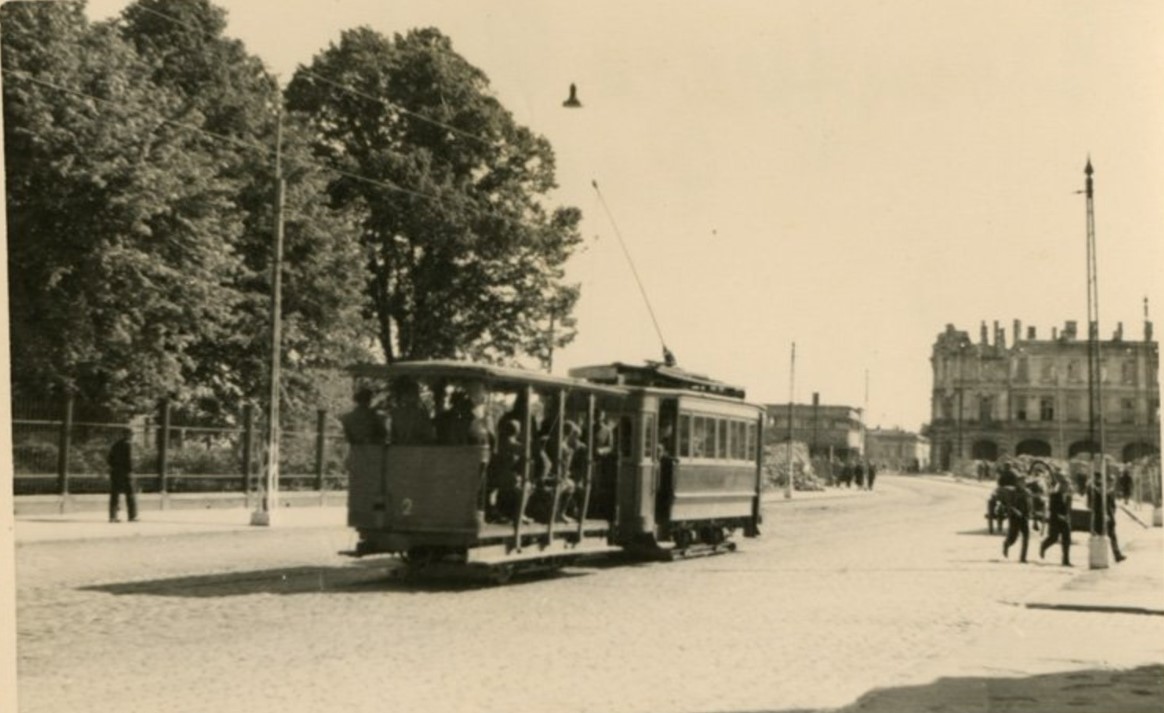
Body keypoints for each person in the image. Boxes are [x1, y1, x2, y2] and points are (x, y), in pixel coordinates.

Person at [1088, 472, 1126, 563]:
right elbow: (1096, 506)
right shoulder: (1099, 492)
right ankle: (1098, 557)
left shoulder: (1110, 492)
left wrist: (1112, 514)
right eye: (1110, 482)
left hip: (1110, 517)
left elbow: (1112, 505)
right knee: (1099, 536)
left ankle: (1117, 555)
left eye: (1112, 482)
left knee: (1112, 536)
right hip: (1101, 518)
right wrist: (1104, 515)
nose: (1111, 484)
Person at [1039, 470, 1073, 566]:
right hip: (1055, 520)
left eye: (1067, 485)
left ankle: (1065, 560)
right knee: (1053, 538)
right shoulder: (1054, 495)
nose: (1065, 487)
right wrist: (1059, 516)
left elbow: (1069, 509)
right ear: (1060, 486)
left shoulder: (1069, 497)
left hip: (1065, 521)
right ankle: (1043, 546)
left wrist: (1067, 517)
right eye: (1063, 485)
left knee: (1067, 540)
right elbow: (1051, 508)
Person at [107, 428, 137, 523]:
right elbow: (130, 460)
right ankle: (132, 516)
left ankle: (113, 516)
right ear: (128, 435)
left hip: (115, 472)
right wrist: (131, 470)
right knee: (130, 494)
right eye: (132, 434)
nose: (132, 436)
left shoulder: (116, 445)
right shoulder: (129, 445)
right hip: (126, 472)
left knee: (115, 494)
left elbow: (109, 458)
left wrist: (114, 466)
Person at [1001, 472, 1032, 563]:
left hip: (1024, 517)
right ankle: (1006, 544)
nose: (1023, 483)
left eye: (1024, 482)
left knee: (1026, 536)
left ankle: (1023, 558)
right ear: (1017, 483)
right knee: (1013, 537)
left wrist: (1030, 512)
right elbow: (1009, 504)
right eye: (1021, 482)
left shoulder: (1027, 492)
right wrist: (1016, 511)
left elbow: (1030, 504)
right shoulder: (1012, 492)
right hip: (1015, 517)